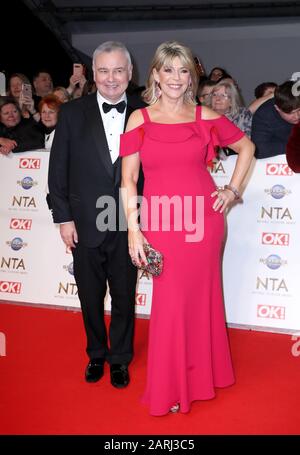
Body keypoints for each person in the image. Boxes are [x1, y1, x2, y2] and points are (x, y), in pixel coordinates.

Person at [120, 41, 255, 416]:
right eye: (169, 70)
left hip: (204, 223)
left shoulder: (204, 116)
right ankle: (174, 383)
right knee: (170, 304)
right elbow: (128, 180)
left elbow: (247, 148)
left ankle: (197, 379)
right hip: (162, 222)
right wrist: (133, 229)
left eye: (183, 71)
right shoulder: (139, 120)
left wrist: (231, 191)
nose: (176, 78)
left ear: (191, 77)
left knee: (201, 299)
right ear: (156, 75)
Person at [48, 41, 145, 388]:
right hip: (85, 221)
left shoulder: (145, 111)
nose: (111, 78)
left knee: (123, 294)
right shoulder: (73, 113)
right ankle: (96, 353)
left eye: (119, 70)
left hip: (128, 222)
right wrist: (63, 218)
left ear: (130, 73)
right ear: (93, 74)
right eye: (103, 70)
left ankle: (120, 357)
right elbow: (58, 169)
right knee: (89, 296)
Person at [252, 81, 300, 159]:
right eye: (291, 113)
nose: (297, 116)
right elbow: (259, 150)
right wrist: (294, 146)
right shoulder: (264, 115)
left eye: (299, 110)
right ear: (277, 108)